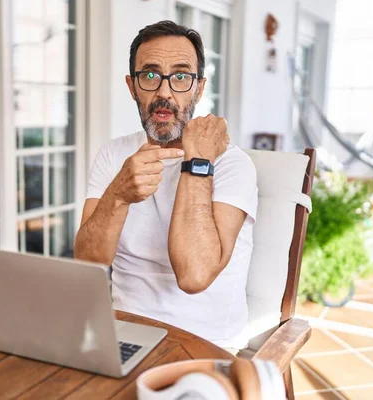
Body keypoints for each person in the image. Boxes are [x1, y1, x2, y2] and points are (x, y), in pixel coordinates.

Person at [74, 20, 258, 353]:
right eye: (150, 75)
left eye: (181, 76)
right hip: (120, 336)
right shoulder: (113, 155)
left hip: (205, 346)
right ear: (132, 87)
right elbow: (89, 259)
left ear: (198, 88)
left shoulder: (232, 165)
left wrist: (198, 161)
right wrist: (118, 194)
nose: (164, 92)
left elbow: (194, 276)